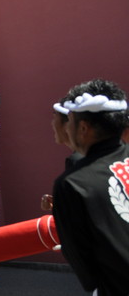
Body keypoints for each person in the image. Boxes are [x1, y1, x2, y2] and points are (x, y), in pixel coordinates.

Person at [51, 79, 129, 296]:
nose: (67, 128)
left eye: (70, 121)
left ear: (83, 128)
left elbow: (84, 265)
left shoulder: (73, 183)